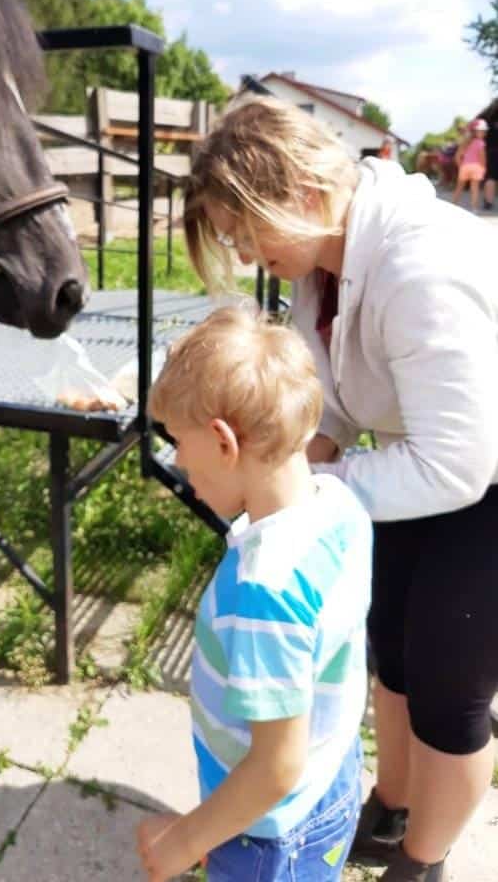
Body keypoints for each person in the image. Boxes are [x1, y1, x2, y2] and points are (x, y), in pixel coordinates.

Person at [181, 93, 498, 882]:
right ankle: (390, 807)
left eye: (248, 231)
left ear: (307, 194)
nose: (248, 254)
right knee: (390, 644)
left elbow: (457, 463)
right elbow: (330, 406)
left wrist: (311, 483)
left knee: (449, 684)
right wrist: (276, 484)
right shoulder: (324, 262)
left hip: (481, 475)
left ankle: (422, 863)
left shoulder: (420, 267)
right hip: (420, 456)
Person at [137, 307, 373, 882]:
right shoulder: (339, 504)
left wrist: (181, 841)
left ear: (223, 441)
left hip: (271, 836)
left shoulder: (265, 587)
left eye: (178, 443)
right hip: (334, 776)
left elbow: (274, 767)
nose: (177, 461)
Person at [452, 117, 487, 212]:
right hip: (477, 167)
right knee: (474, 188)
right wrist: (484, 167)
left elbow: (457, 156)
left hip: (465, 167)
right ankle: (474, 208)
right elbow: (482, 157)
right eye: (482, 131)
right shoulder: (481, 143)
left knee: (459, 187)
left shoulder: (465, 142)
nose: (484, 133)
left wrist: (461, 166)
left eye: (484, 131)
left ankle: (453, 205)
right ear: (475, 132)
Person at [476, 100, 498, 211]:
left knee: (490, 177)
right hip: (492, 151)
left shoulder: (486, 120)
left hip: (490, 152)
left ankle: (488, 201)